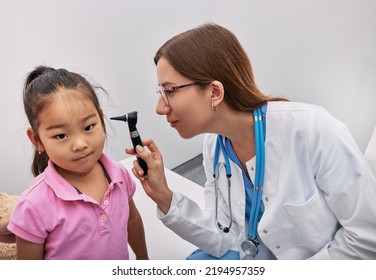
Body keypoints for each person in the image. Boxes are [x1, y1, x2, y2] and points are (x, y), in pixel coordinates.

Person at [126, 23, 376, 260]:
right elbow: (225, 236)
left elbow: (366, 238)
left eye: (169, 90)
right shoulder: (215, 147)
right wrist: (164, 195)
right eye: (160, 92)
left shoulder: (313, 131)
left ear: (214, 92)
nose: (160, 107)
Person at [7, 66, 149, 260]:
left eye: (89, 127)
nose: (80, 144)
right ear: (37, 140)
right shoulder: (34, 205)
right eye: (61, 135)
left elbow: (132, 220)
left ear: (101, 119)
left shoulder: (118, 174)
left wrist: (144, 260)